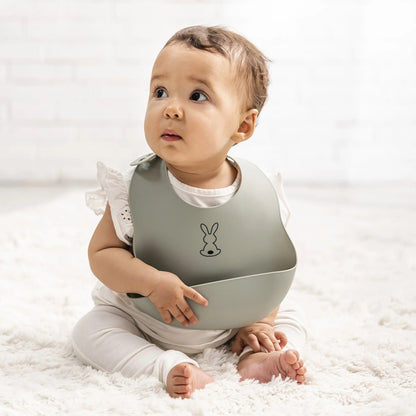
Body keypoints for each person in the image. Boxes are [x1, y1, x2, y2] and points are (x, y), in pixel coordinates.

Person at [72, 25, 307, 399]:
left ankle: (255, 355)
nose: (170, 108)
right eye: (160, 92)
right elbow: (102, 254)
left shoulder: (260, 192)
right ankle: (162, 364)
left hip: (232, 319)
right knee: (91, 331)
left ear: (243, 125)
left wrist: (260, 320)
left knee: (292, 318)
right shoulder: (133, 187)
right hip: (143, 319)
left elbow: (270, 267)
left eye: (197, 96)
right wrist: (151, 282)